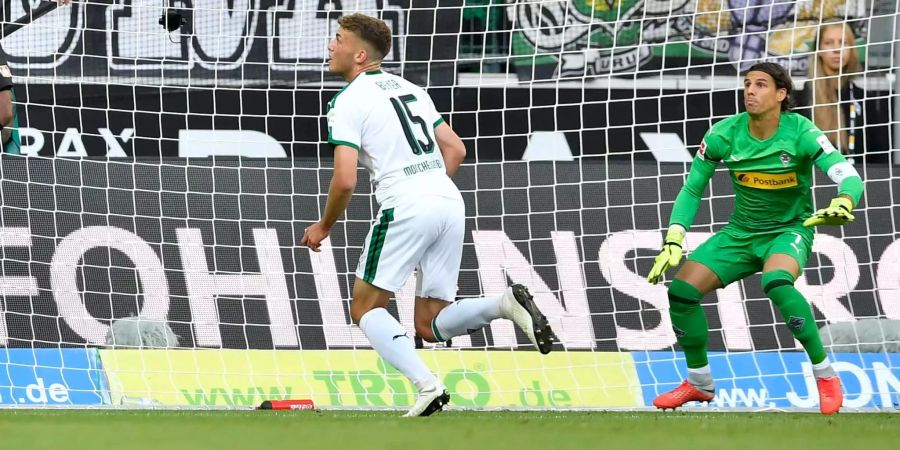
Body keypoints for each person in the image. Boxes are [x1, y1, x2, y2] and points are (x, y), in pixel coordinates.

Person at [301, 13, 557, 417]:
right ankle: (503, 304)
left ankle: (427, 386)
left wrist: (324, 225)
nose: (331, 46)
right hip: (447, 199)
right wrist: (430, 185)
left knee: (365, 308)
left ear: (360, 54)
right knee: (430, 323)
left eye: (337, 39)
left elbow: (345, 179)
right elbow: (455, 149)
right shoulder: (411, 88)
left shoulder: (347, 101)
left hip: (407, 204)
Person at [646, 62, 864, 415]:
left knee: (776, 282)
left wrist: (844, 199)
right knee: (681, 292)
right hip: (740, 232)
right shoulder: (723, 134)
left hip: (789, 230)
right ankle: (699, 383)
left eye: (761, 85)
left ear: (781, 94)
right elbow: (692, 188)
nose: (750, 91)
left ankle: (825, 374)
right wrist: (674, 237)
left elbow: (848, 176)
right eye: (747, 84)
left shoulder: (802, 133)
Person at [795, 21, 890, 164]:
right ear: (819, 49)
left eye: (843, 42)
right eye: (829, 43)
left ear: (851, 49)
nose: (837, 49)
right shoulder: (802, 100)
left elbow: (880, 156)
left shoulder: (864, 99)